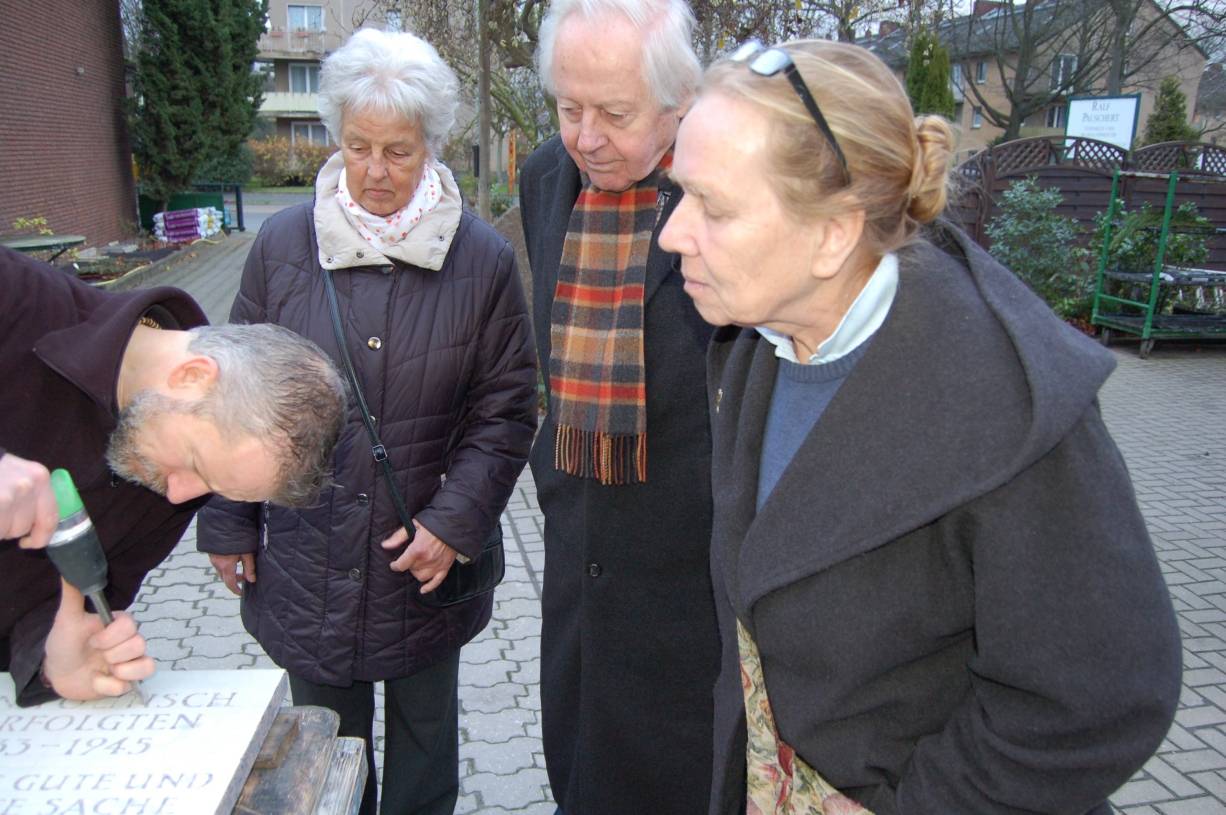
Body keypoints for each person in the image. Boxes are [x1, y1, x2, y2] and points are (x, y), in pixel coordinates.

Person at [658, 39, 1183, 814]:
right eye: (680, 193)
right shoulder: (757, 336)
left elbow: (1099, 696)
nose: (672, 234)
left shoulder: (1009, 405)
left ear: (834, 234)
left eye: (715, 207)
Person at [197, 27, 537, 815]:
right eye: (358, 147)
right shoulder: (283, 245)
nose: (376, 170)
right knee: (322, 763)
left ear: (433, 145)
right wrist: (228, 519)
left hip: (422, 560)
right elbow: (232, 391)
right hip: (307, 552)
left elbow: (506, 407)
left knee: (425, 759)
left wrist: (455, 523)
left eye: (398, 151)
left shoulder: (481, 259)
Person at [520, 1, 720, 812]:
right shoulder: (545, 177)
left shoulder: (725, 189)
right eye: (569, 108)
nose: (586, 137)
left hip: (690, 583)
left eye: (614, 112)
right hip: (579, 565)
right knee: (580, 776)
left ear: (680, 101)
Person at [1, 245, 347, 707]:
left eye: (212, 489)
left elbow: (61, 608)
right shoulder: (16, 298)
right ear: (192, 377)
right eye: (196, 464)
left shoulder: (167, 487)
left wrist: (51, 656)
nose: (180, 495)